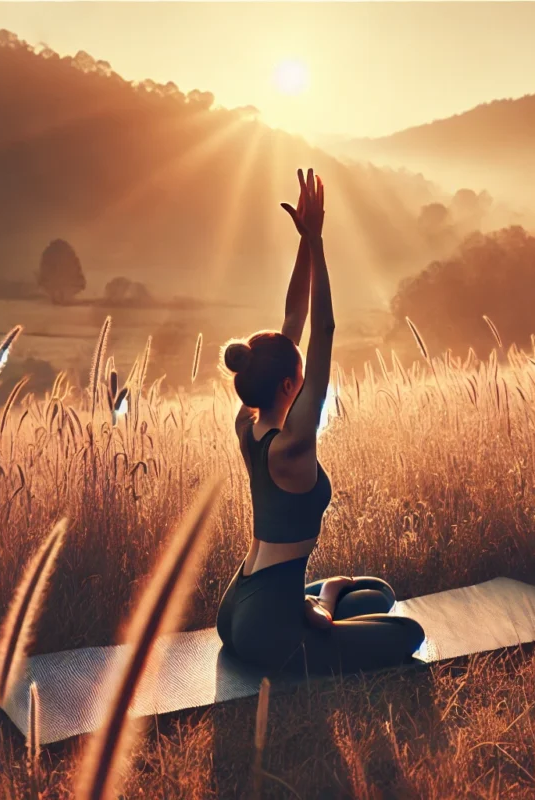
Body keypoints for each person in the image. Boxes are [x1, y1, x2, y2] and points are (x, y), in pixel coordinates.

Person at [215, 169, 426, 675]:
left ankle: (317, 602)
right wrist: (320, 243)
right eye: (301, 375)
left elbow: (293, 321)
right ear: (291, 385)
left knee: (379, 592)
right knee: (408, 632)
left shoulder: (250, 425)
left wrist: (306, 244)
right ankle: (320, 604)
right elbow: (322, 329)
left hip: (238, 604)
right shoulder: (293, 445)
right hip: (268, 629)